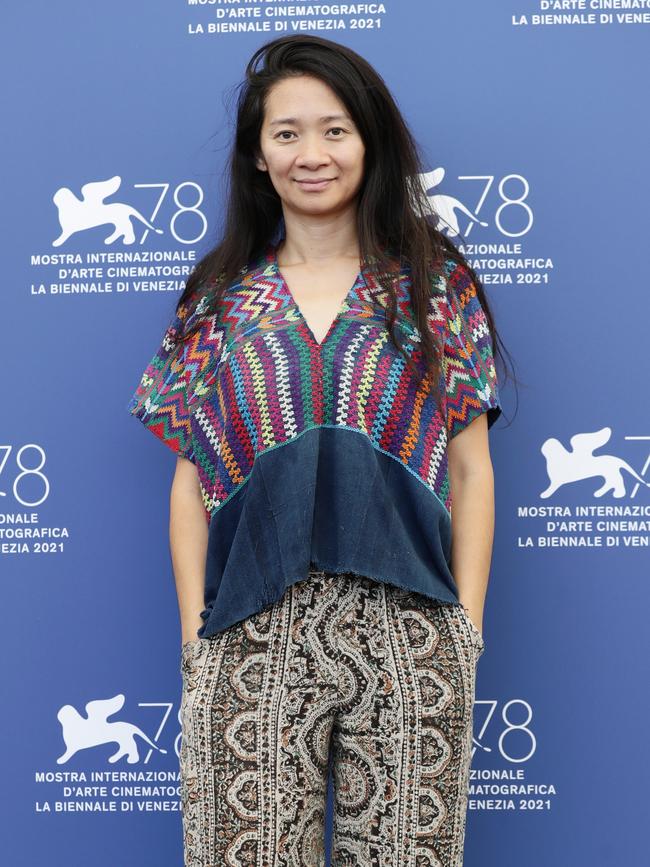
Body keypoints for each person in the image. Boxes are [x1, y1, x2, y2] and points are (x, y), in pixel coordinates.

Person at [127, 33, 511, 867]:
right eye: (287, 133)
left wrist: (464, 628)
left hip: (409, 627)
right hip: (249, 627)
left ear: (370, 144)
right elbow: (190, 481)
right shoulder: (218, 300)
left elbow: (473, 469)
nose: (312, 154)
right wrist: (197, 638)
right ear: (258, 157)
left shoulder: (431, 285)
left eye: (335, 130)